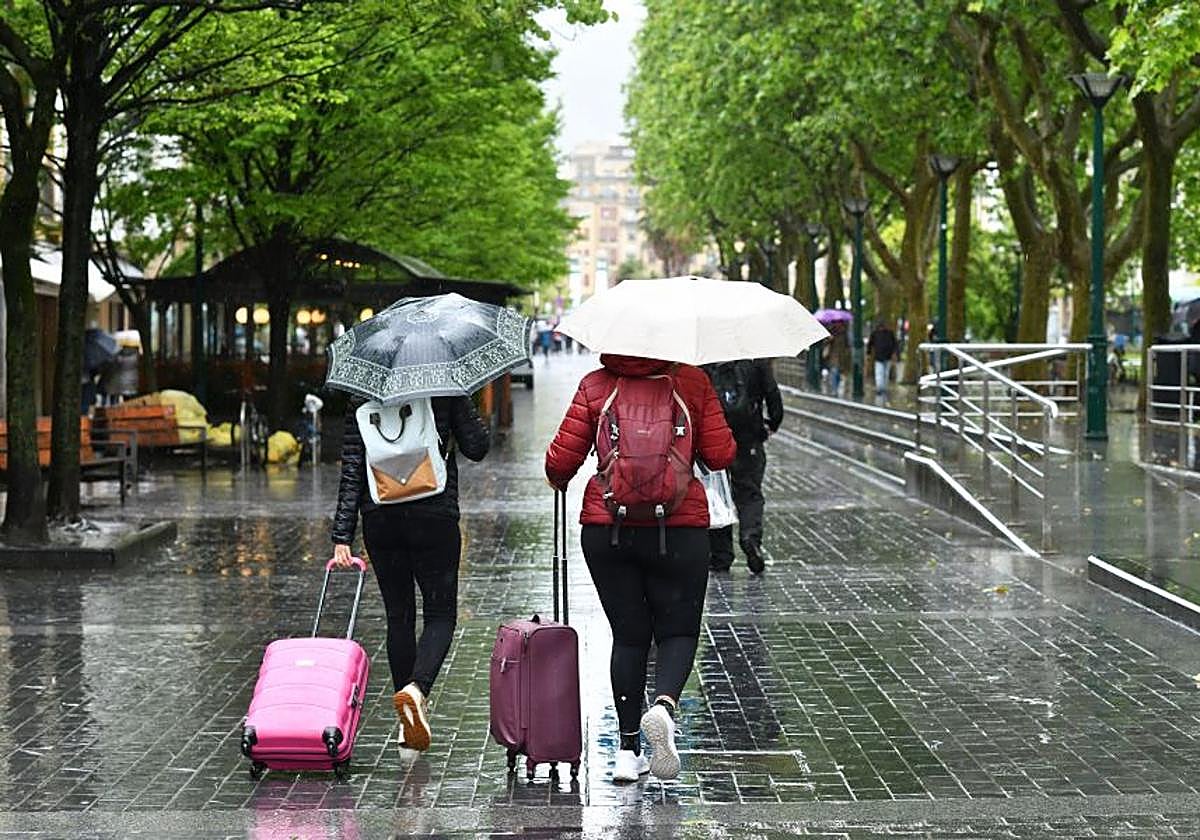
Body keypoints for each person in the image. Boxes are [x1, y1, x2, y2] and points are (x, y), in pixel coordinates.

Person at [545, 354, 735, 783]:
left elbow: (559, 463)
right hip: (680, 527)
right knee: (679, 631)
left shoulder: (596, 384)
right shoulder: (692, 380)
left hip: (608, 529)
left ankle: (627, 752)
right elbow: (722, 454)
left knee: (629, 637)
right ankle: (665, 707)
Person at [330, 394, 490, 753]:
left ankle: (407, 725)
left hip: (380, 515)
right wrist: (466, 406)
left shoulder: (361, 389)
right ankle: (416, 690)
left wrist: (342, 535)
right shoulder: (444, 385)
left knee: (398, 616)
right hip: (434, 512)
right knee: (440, 615)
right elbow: (477, 447)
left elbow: (353, 465)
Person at [702, 359, 783, 574]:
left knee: (718, 493)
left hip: (715, 437)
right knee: (749, 493)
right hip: (749, 437)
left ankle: (720, 554)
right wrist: (772, 423)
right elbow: (773, 396)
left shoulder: (704, 361)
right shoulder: (756, 360)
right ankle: (750, 537)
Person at [867, 321, 898, 400]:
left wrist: (869, 353)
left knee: (880, 373)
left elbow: (870, 344)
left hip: (880, 356)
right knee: (884, 373)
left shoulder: (875, 334)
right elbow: (895, 344)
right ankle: (882, 388)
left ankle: (880, 388)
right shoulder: (889, 333)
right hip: (885, 356)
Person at [824, 324, 850, 396]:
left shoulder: (844, 333)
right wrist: (829, 339)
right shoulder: (831, 332)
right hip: (833, 356)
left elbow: (847, 345)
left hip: (842, 357)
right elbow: (825, 343)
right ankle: (834, 390)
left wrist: (846, 355)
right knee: (834, 372)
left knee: (838, 374)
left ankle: (835, 388)